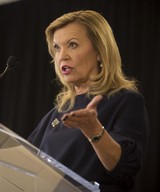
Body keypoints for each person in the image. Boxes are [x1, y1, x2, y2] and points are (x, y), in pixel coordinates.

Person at [28, 10, 149, 192]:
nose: (62, 56)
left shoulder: (126, 101)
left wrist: (93, 130)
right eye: (57, 48)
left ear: (100, 51)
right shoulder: (55, 114)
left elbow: (125, 170)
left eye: (73, 45)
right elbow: (23, 164)